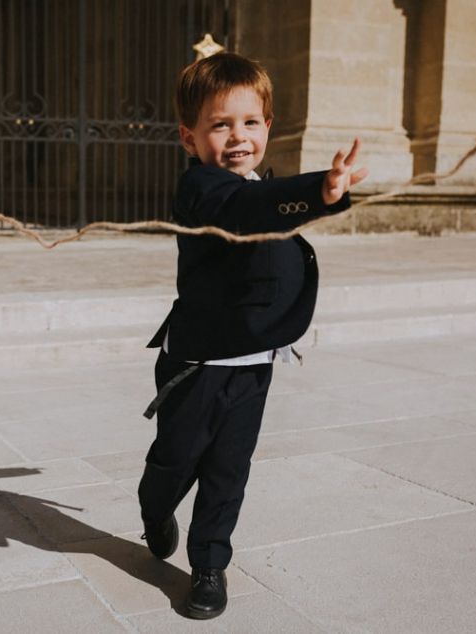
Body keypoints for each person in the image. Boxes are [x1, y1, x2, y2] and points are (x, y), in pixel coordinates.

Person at [138, 52, 367, 620]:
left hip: (253, 363)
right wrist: (318, 190)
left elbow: (269, 205)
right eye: (220, 125)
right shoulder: (204, 191)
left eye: (249, 123)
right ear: (189, 139)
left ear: (269, 128)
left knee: (228, 469)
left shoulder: (260, 188)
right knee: (176, 460)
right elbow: (247, 209)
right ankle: (154, 506)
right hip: (197, 364)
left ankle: (208, 565)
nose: (237, 137)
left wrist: (330, 191)